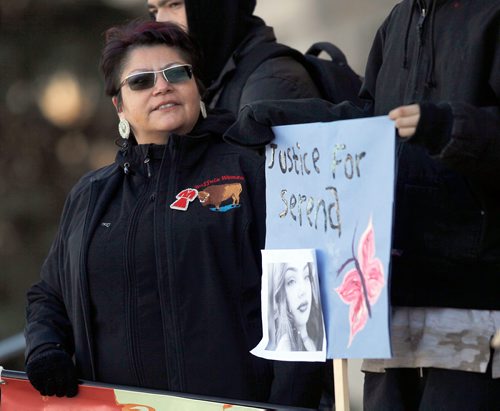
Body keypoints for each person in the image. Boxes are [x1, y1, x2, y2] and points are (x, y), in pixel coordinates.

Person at [23, 20, 324, 408]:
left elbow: (300, 299)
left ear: (197, 85)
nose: (161, 86)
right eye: (141, 81)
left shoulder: (252, 171)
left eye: (176, 73)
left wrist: (288, 404)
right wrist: (45, 348)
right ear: (119, 104)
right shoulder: (90, 194)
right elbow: (48, 294)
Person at [224, 0, 500, 409]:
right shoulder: (397, 20)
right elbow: (371, 122)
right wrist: (291, 120)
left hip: (472, 300)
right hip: (387, 297)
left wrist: (447, 126)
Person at [146, 0, 321, 115]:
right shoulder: (210, 76)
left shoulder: (271, 81)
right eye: (154, 11)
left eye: (174, 4)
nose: (160, 23)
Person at [267, 262, 324, 352]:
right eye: (291, 281)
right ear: (283, 295)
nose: (303, 291)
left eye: (306, 276)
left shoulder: (319, 334)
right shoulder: (285, 347)